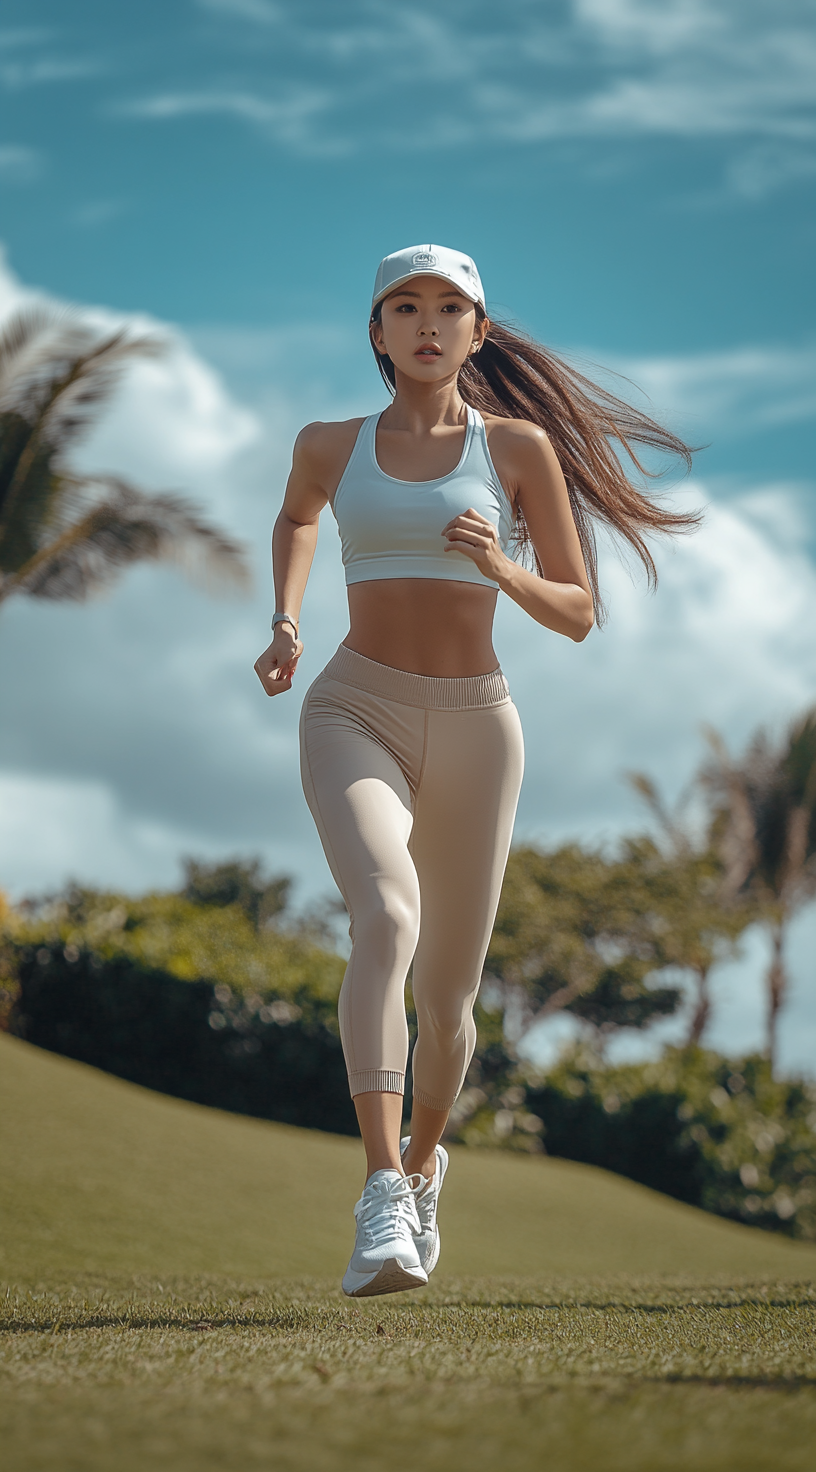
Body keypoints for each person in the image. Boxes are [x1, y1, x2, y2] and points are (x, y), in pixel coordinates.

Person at [254, 244, 697, 1298]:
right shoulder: (328, 442)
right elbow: (297, 515)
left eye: (449, 308)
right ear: (376, 331)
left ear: (478, 332)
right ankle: (377, 1192)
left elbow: (580, 613)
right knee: (387, 921)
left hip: (478, 727)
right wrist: (283, 621)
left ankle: (421, 1166)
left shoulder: (517, 449)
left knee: (450, 998)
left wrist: (501, 564)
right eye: (403, 307)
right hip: (352, 705)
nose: (425, 323)